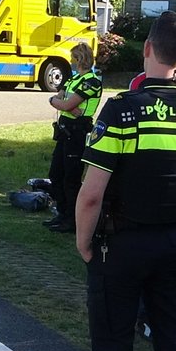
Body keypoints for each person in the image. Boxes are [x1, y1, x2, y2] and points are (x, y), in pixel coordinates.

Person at [53, 11, 176, 351]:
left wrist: (84, 243)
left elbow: (91, 194)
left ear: (147, 51)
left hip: (124, 247)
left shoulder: (124, 109)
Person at [43, 43, 102, 233]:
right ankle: (62, 213)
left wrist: (62, 104)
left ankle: (72, 220)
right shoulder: (72, 80)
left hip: (77, 132)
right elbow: (58, 100)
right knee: (55, 174)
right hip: (64, 131)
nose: (71, 61)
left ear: (80, 59)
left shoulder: (92, 82)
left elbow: (68, 103)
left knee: (72, 178)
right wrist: (57, 102)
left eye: (73, 58)